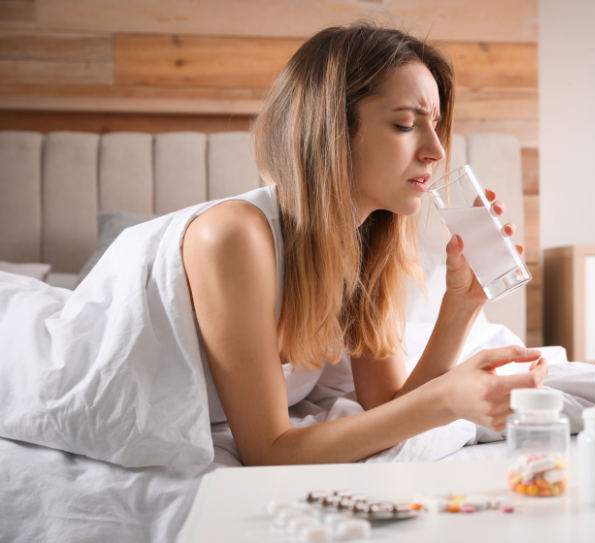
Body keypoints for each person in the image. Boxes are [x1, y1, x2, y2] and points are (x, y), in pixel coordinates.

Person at [180, 23, 549, 466]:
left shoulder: (363, 247)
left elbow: (389, 408)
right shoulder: (232, 235)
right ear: (333, 130)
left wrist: (462, 304)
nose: (436, 151)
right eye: (405, 124)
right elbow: (267, 452)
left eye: (434, 125)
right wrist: (445, 401)